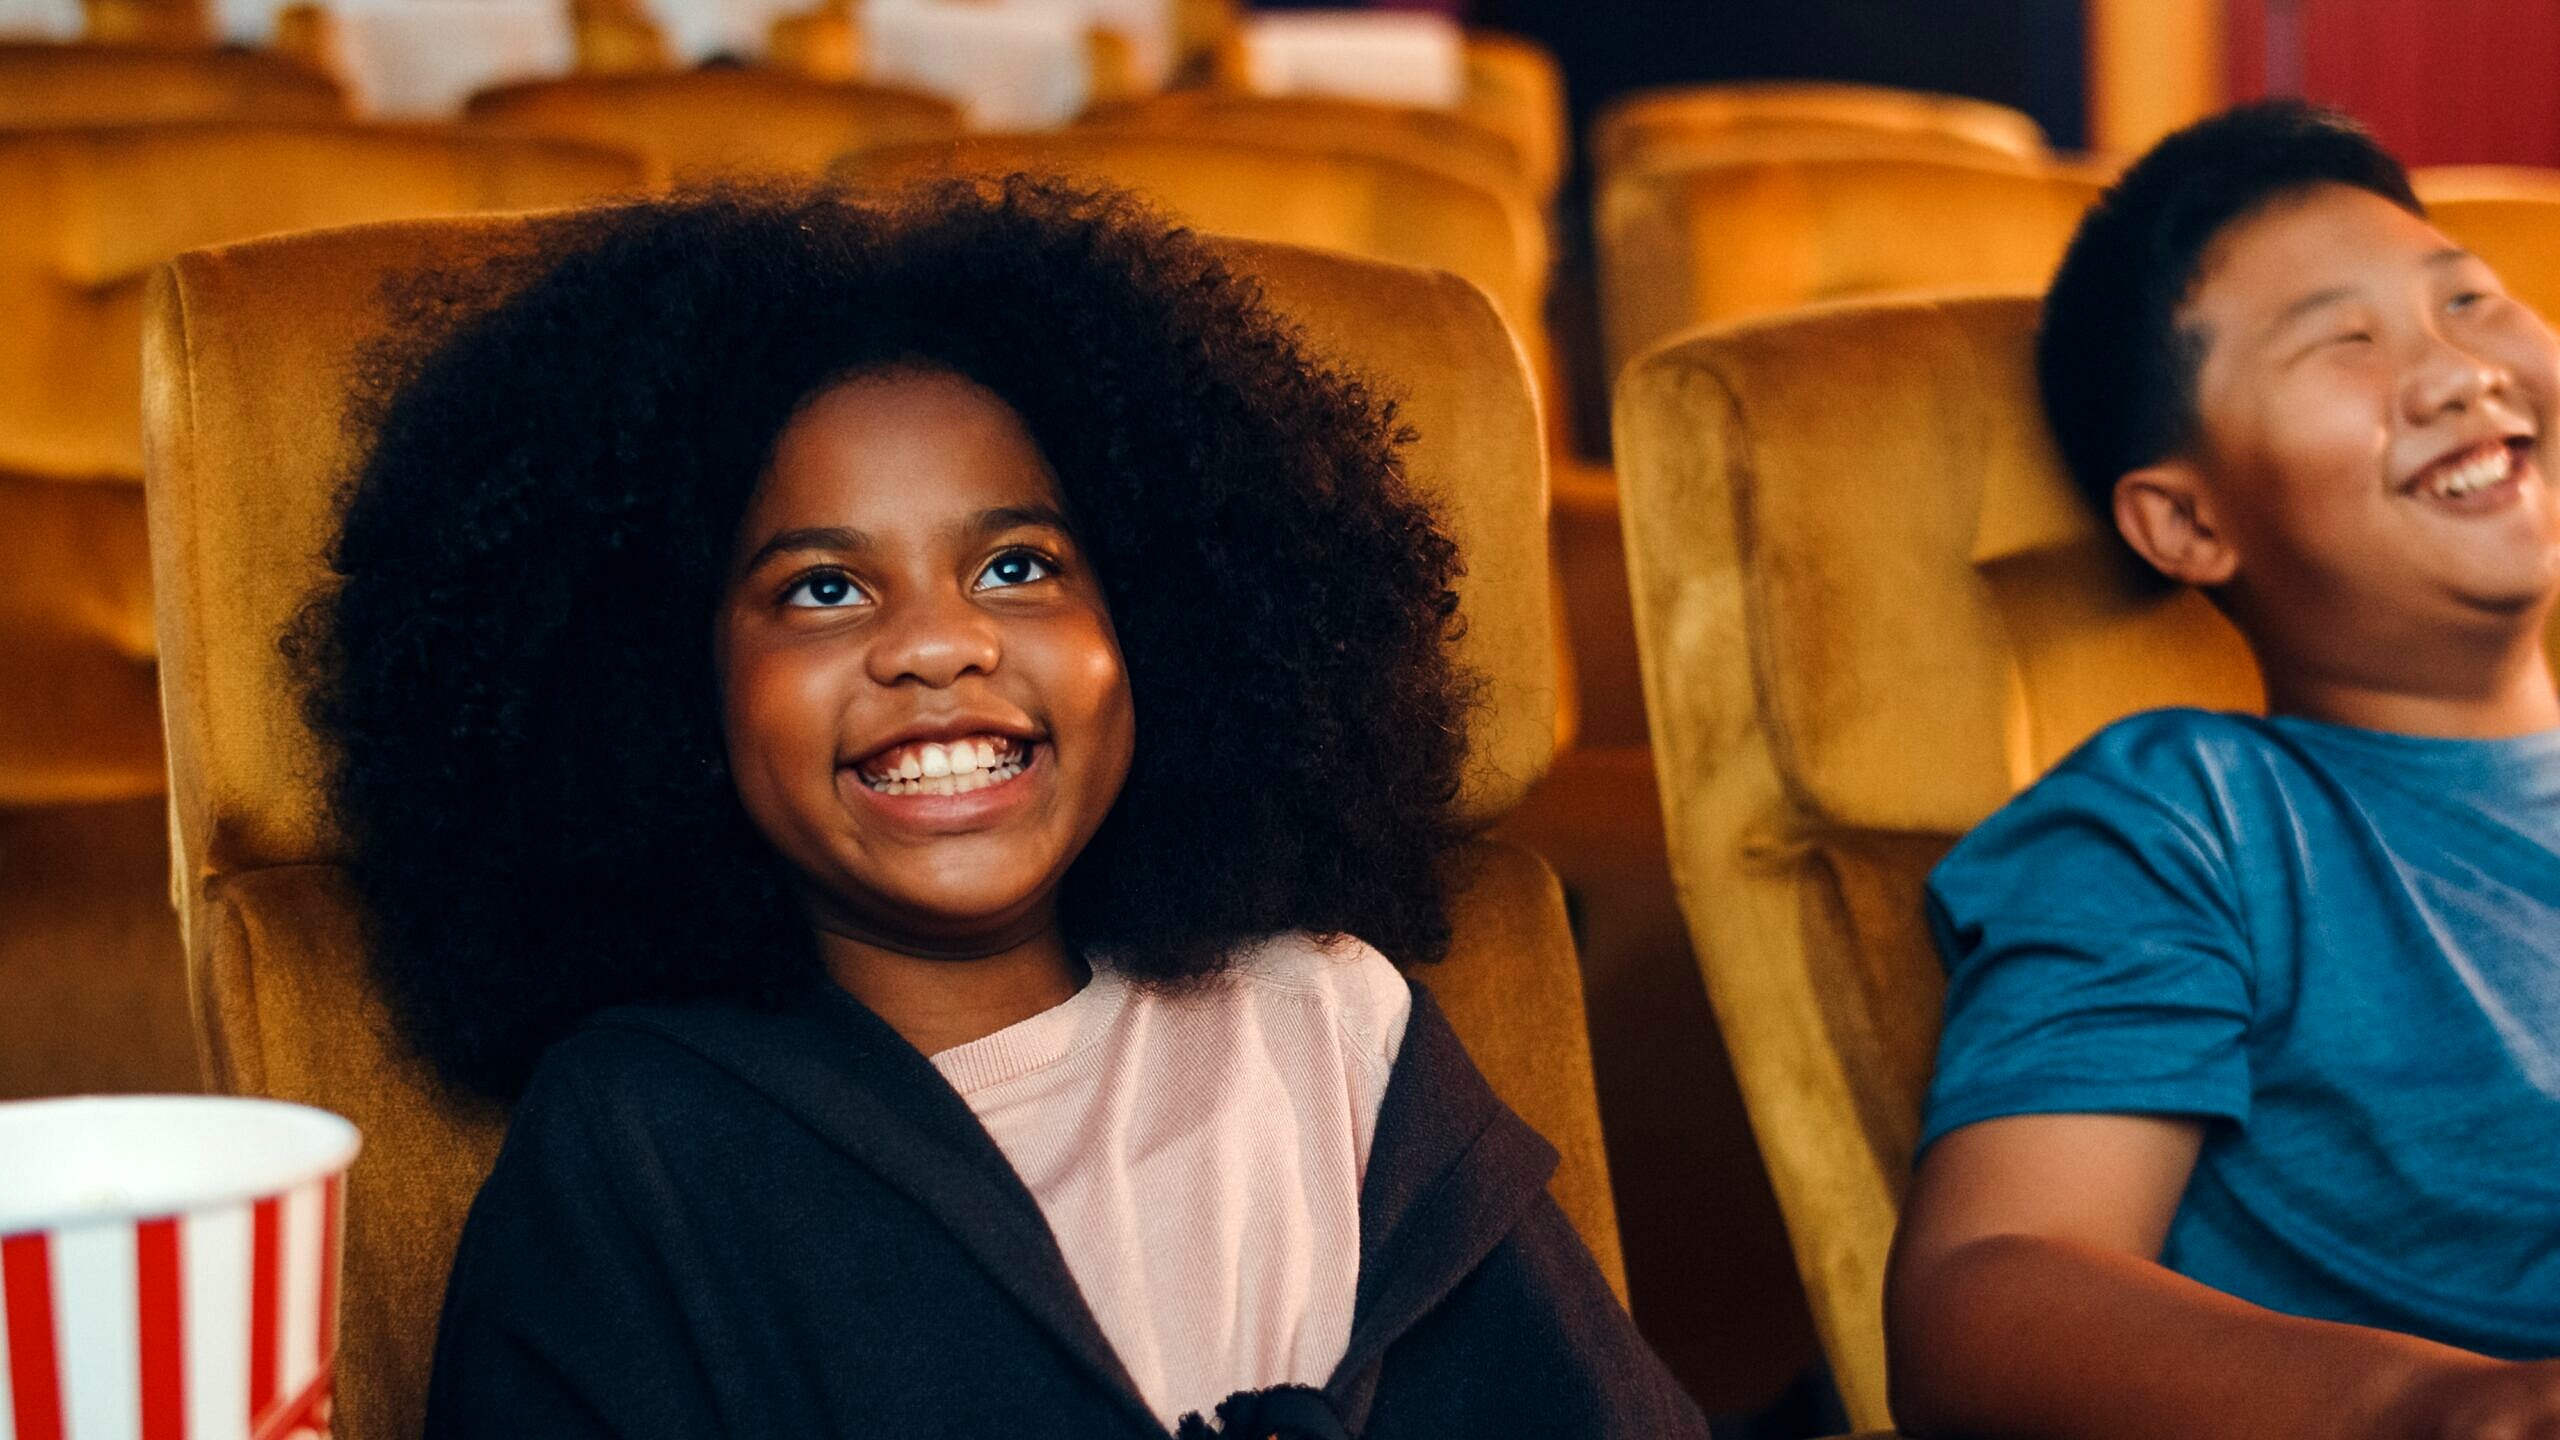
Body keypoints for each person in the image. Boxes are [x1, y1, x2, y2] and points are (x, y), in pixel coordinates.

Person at [296, 178, 1708, 1440]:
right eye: (823, 588)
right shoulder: (637, 1141)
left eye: (1020, 568)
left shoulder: (1328, 1031)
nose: (938, 644)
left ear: (1155, 626)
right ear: (669, 691)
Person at [1885, 100, 2560, 1440]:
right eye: (2345, 344)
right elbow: (1984, 1292)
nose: (2454, 373)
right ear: (2187, 520)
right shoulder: (2185, 814)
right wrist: (2453, 1411)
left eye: (2471, 301)